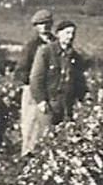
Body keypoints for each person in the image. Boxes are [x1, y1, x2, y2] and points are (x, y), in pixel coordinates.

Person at [27, 19, 87, 154]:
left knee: (63, 140)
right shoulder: (46, 51)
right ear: (58, 34)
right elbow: (36, 78)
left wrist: (81, 99)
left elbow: (79, 80)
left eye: (73, 33)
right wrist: (41, 101)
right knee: (45, 139)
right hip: (49, 102)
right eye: (67, 33)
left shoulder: (75, 56)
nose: (70, 36)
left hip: (66, 104)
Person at [15, 9, 57, 154]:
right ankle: (28, 155)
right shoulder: (31, 46)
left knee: (49, 125)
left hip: (52, 90)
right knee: (30, 124)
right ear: (36, 27)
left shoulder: (57, 43)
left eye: (46, 23)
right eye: (40, 24)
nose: (44, 27)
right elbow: (20, 71)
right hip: (33, 90)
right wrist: (34, 84)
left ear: (51, 24)